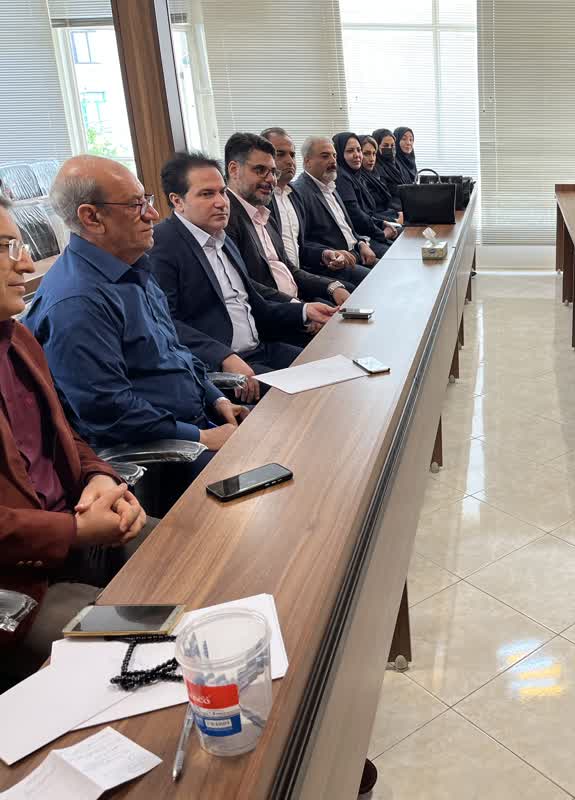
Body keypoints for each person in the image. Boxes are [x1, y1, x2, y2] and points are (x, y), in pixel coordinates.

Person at [0, 194, 154, 681]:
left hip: (79, 528)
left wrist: (100, 480)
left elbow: (67, 434)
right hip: (20, 583)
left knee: (196, 557)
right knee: (142, 650)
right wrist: (75, 532)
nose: (26, 264)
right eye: (5, 248)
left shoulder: (18, 339)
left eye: (21, 246)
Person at [24, 156, 246, 455]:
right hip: (162, 453)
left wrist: (217, 399)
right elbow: (111, 413)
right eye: (135, 205)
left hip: (199, 421)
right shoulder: (76, 303)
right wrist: (202, 437)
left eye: (147, 200)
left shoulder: (132, 265)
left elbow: (175, 353)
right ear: (91, 217)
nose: (153, 214)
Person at [152, 151, 336, 388]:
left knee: (329, 369)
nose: (221, 202)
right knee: (311, 393)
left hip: (260, 350)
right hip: (219, 367)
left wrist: (304, 311)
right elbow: (165, 322)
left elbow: (256, 305)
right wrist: (223, 356)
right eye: (207, 194)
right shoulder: (162, 244)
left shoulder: (223, 239)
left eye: (222, 192)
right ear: (177, 201)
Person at [224, 132, 353, 307]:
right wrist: (301, 310)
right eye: (260, 170)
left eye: (272, 172)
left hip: (295, 298)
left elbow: (288, 266)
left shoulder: (266, 214)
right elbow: (246, 286)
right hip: (275, 312)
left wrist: (331, 286)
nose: (271, 179)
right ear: (234, 170)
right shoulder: (225, 218)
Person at [292, 136, 383, 275]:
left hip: (356, 252)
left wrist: (361, 243)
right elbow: (303, 242)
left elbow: (346, 227)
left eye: (334, 155)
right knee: (382, 278)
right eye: (325, 156)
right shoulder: (299, 192)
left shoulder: (330, 185)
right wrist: (329, 253)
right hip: (334, 263)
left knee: (393, 267)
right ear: (307, 161)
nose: (333, 161)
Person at [331, 131, 397, 258]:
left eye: (358, 150)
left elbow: (367, 212)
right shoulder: (342, 178)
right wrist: (381, 233)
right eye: (350, 151)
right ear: (339, 154)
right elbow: (356, 216)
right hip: (359, 239)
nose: (357, 155)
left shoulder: (355, 176)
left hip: (368, 232)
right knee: (394, 254)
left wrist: (382, 224)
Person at [356, 135, 401, 222]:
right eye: (366, 154)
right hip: (379, 222)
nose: (372, 159)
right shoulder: (359, 179)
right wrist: (395, 221)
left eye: (374, 154)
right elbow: (367, 214)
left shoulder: (375, 174)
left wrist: (398, 214)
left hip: (388, 216)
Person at [372, 128, 405, 211]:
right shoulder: (375, 169)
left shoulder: (397, 165)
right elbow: (385, 199)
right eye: (385, 146)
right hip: (392, 211)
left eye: (392, 145)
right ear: (376, 146)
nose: (390, 148)